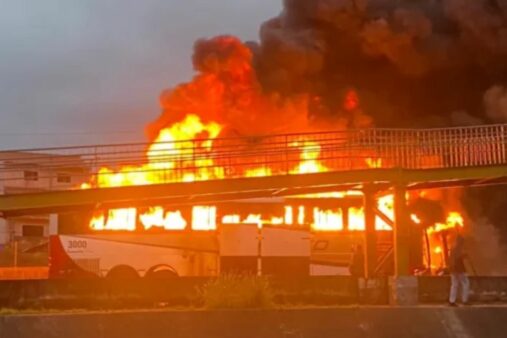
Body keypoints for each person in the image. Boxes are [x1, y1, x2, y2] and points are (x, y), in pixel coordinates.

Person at [448, 235, 469, 306]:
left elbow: (452, 258)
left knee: (454, 284)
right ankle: (464, 300)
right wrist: (464, 255)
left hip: (453, 269)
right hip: (459, 269)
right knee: (465, 283)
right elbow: (458, 257)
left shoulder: (452, 248)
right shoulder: (458, 249)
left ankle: (452, 301)